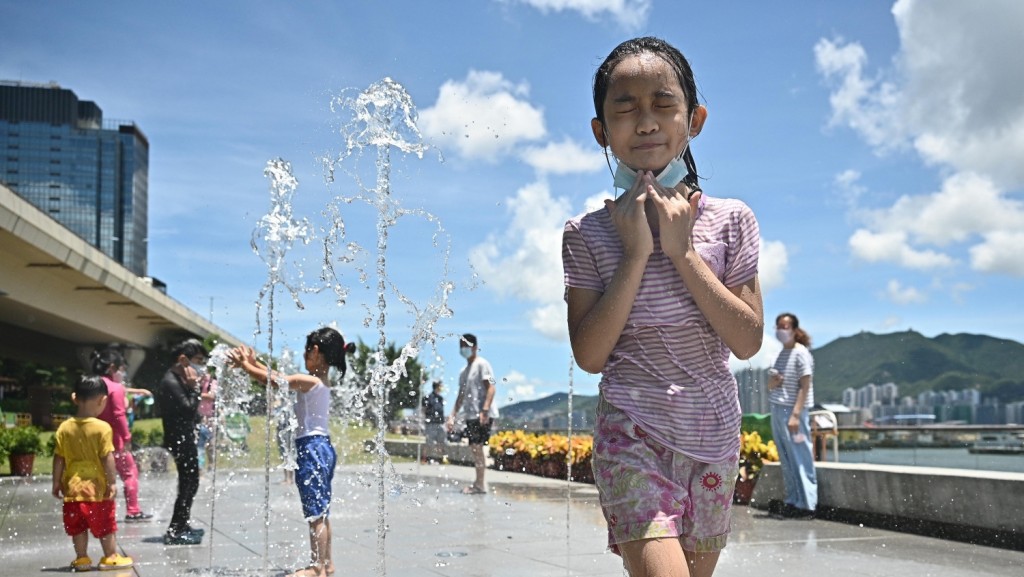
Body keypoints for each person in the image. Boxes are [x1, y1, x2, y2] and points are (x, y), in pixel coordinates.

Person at [562, 37, 763, 577]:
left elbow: (746, 340)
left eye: (663, 103)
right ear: (601, 131)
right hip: (631, 432)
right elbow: (591, 354)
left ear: (694, 118)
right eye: (625, 106)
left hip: (713, 435)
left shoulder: (732, 220)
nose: (646, 120)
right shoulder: (586, 235)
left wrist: (683, 252)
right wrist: (635, 255)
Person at [227, 327, 355, 577]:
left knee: (315, 514)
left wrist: (246, 366)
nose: (304, 356)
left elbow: (273, 380)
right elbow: (276, 375)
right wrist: (255, 363)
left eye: (306, 351)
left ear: (315, 351)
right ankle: (327, 564)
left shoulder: (309, 381)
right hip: (323, 447)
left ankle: (316, 568)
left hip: (312, 449)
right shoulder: (321, 382)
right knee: (321, 512)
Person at [52, 375, 134, 571]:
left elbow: (59, 458)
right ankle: (110, 556)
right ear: (102, 400)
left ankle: (82, 559)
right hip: (97, 489)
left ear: (75, 398)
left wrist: (56, 482)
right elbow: (107, 458)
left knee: (77, 526)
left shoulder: (64, 427)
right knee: (106, 525)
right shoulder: (102, 428)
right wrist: (112, 482)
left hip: (72, 489)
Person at [91, 348, 154, 522]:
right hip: (114, 440)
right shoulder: (115, 388)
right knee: (129, 473)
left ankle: (95, 511)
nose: (123, 373)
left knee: (99, 476)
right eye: (122, 368)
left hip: (92, 439)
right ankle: (133, 511)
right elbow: (119, 415)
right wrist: (127, 438)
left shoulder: (92, 385)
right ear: (112, 367)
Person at [155, 338, 207, 545]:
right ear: (183, 359)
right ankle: (175, 529)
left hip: (183, 437)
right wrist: (195, 387)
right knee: (188, 483)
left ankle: (182, 524)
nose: (200, 365)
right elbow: (187, 408)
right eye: (198, 360)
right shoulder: (170, 381)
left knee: (190, 482)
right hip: (178, 439)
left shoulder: (177, 379)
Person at [767, 312, 817, 519]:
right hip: (778, 409)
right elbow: (770, 386)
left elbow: (805, 386)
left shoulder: (800, 353)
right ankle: (793, 501)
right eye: (779, 326)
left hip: (793, 411)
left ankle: (808, 504)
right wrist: (774, 381)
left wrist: (796, 415)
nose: (781, 330)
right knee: (786, 458)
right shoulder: (781, 354)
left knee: (800, 456)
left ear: (795, 330)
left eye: (785, 326)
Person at [446, 334, 496, 494]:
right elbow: (460, 396)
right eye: (461, 345)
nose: (463, 349)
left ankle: (480, 484)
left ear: (474, 347)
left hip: (482, 414)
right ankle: (479, 482)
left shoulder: (483, 364)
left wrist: (485, 410)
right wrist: (452, 415)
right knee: (475, 448)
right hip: (471, 415)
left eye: (466, 345)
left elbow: (491, 387)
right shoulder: (463, 372)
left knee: (477, 446)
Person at [196, 367, 218, 472]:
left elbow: (212, 396)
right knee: (198, 443)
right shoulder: (196, 382)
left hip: (210, 417)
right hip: (197, 417)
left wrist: (196, 394)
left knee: (211, 444)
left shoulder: (212, 382)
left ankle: (211, 466)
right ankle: (199, 469)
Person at [422, 380, 446, 464]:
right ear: (436, 386)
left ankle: (441, 458)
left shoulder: (441, 398)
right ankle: (425, 458)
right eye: (440, 385)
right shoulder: (428, 397)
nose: (442, 387)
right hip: (431, 423)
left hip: (440, 423)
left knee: (442, 441)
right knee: (429, 442)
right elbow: (423, 410)